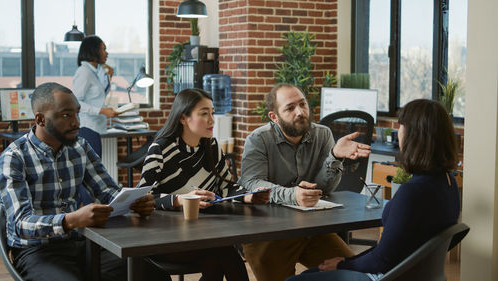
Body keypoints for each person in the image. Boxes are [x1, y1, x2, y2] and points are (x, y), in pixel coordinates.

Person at [0, 82, 159, 281]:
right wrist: (71, 220)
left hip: (82, 243)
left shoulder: (80, 147)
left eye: (77, 113)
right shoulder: (14, 157)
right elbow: (19, 224)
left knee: (151, 274)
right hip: (37, 251)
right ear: (40, 119)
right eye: (67, 115)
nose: (76, 122)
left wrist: (133, 203)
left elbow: (108, 192)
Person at [286, 99, 461, 281]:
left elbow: (382, 260)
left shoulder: (413, 192)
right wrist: (348, 260)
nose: (398, 131)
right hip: (414, 273)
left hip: (387, 276)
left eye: (401, 125)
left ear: (415, 136)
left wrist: (343, 264)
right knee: (312, 274)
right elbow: (389, 251)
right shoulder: (448, 182)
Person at [238, 83, 372, 281]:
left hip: (309, 229)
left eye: (303, 104)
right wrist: (294, 195)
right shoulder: (258, 139)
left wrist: (335, 155)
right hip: (266, 233)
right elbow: (251, 183)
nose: (300, 112)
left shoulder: (323, 134)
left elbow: (322, 188)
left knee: (355, 274)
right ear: (274, 117)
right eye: (290, 108)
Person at [139, 88, 270, 281]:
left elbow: (226, 186)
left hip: (203, 231)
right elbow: (143, 199)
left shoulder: (211, 145)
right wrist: (178, 200)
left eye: (212, 113)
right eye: (204, 113)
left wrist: (249, 196)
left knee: (220, 257)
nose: (212, 120)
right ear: (183, 118)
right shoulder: (160, 149)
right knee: (224, 254)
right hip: (165, 235)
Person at [72, 35, 118, 133]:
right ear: (94, 51)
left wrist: (109, 77)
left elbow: (99, 97)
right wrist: (102, 111)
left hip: (98, 127)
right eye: (103, 49)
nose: (107, 53)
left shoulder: (95, 72)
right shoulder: (84, 72)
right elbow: (75, 103)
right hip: (88, 128)